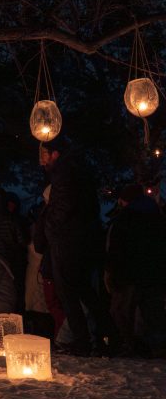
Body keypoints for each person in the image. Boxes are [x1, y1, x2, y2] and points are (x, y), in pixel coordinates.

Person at [39, 137, 117, 356]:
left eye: (46, 155)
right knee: (85, 292)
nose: (43, 161)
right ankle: (107, 336)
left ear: (55, 154)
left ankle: (83, 341)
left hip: (68, 243)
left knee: (69, 294)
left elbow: (63, 208)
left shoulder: (65, 174)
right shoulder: (78, 172)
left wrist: (50, 229)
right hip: (82, 242)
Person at [104, 183, 166, 357]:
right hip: (154, 274)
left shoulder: (124, 219)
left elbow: (116, 249)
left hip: (129, 275)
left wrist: (112, 272)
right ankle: (158, 347)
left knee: (121, 312)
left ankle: (129, 345)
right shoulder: (158, 217)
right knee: (154, 315)